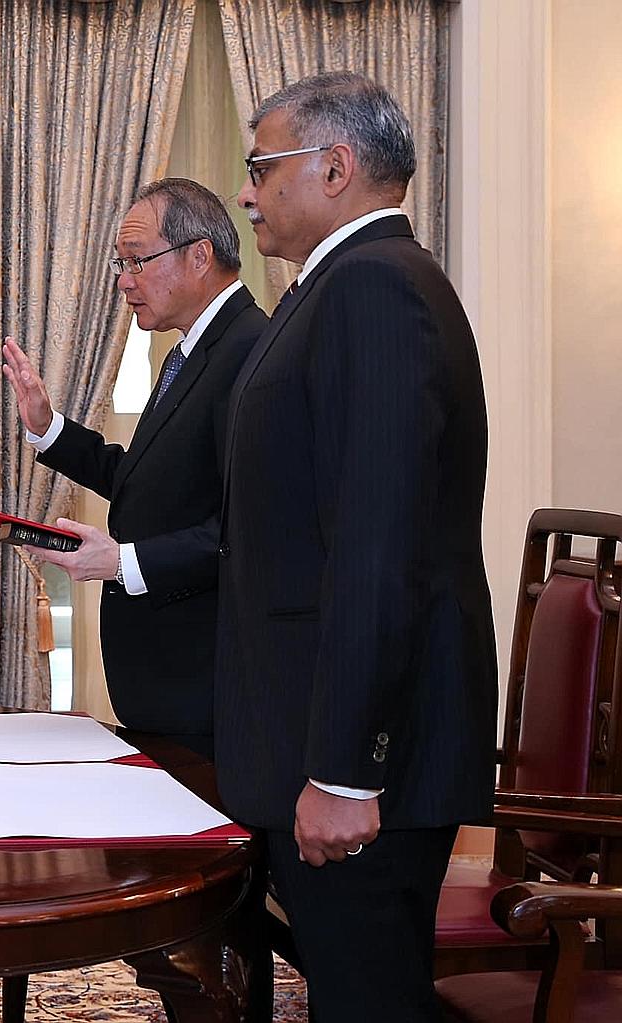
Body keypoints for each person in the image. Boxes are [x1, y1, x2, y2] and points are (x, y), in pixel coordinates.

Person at [218, 72, 498, 1019]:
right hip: (320, 741)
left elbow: (381, 544)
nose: (247, 192)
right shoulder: (329, 287)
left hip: (359, 761)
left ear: (334, 167)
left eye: (261, 166)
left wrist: (344, 770)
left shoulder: (374, 288)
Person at [4, 178, 267, 759]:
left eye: (137, 261)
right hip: (166, 684)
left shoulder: (251, 350)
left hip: (204, 682)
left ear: (200, 256)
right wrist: (50, 429)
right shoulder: (189, 350)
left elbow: (249, 527)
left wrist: (122, 560)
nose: (124, 281)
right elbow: (148, 479)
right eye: (120, 264)